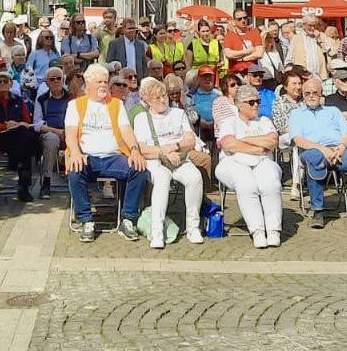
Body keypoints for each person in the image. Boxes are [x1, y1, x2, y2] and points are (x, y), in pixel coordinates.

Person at [64, 63, 149, 242]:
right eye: (99, 82)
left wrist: (134, 150)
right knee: (74, 171)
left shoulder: (116, 104)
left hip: (114, 157)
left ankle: (128, 219)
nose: (104, 85)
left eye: (105, 81)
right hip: (87, 156)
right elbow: (70, 133)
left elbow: (126, 130)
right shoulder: (75, 105)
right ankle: (86, 220)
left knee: (139, 169)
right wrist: (75, 153)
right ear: (88, 84)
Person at [133, 75, 204, 248]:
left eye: (164, 95)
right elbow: (143, 149)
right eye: (157, 98)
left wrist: (174, 147)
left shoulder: (178, 114)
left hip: (179, 157)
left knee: (195, 178)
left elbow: (190, 140)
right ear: (147, 100)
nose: (162, 100)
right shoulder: (141, 119)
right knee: (162, 180)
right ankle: (157, 231)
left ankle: (193, 227)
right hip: (155, 160)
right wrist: (164, 151)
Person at [289, 75, 347, 228]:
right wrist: (323, 150)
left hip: (338, 150)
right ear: (303, 95)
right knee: (314, 159)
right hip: (313, 149)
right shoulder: (296, 114)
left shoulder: (333, 111)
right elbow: (298, 140)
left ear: (321, 93)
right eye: (307, 93)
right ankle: (318, 210)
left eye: (315, 93)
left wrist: (341, 148)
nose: (311, 96)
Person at [216, 84, 283, 248]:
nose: (256, 105)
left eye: (258, 101)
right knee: (246, 184)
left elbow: (273, 141)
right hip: (232, 161)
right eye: (251, 102)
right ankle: (257, 230)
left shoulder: (264, 121)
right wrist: (257, 147)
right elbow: (229, 145)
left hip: (263, 160)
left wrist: (242, 140)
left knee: (270, 183)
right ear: (239, 104)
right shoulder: (229, 122)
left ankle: (273, 229)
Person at [0, 72, 41, 201]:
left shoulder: (18, 100)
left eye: (5, 81)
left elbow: (27, 120)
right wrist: (6, 126)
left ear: (11, 83)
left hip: (19, 136)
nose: (3, 84)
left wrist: (17, 124)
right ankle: (23, 183)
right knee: (24, 142)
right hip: (0, 137)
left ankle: (17, 168)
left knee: (25, 134)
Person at [33, 66, 69, 197]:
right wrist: (58, 132)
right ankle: (47, 182)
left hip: (70, 131)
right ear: (47, 82)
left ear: (63, 80)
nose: (56, 81)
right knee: (51, 139)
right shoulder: (41, 99)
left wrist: (68, 132)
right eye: (52, 79)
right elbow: (37, 124)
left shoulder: (71, 98)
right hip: (50, 133)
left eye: (58, 78)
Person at [272, 68, 304, 198]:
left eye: (299, 83)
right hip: (284, 137)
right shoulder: (278, 102)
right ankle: (296, 185)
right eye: (294, 84)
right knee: (298, 142)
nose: (298, 87)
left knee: (300, 143)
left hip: (303, 137)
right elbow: (279, 125)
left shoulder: (304, 103)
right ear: (285, 86)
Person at [223, 10, 264, 77]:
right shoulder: (230, 35)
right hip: (236, 72)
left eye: (245, 18)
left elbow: (259, 53)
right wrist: (248, 52)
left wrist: (242, 59)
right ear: (234, 21)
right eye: (239, 19)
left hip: (252, 72)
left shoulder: (254, 32)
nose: (243, 20)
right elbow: (229, 54)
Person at [290, 16, 329, 80]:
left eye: (314, 25)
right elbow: (289, 58)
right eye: (310, 25)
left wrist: (320, 40)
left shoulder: (322, 36)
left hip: (320, 77)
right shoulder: (296, 38)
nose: (313, 28)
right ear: (304, 25)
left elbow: (329, 54)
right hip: (302, 77)